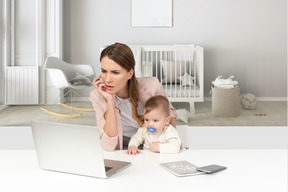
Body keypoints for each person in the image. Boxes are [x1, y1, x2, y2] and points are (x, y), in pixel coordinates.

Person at [90, 42, 177, 151]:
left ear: (130, 74)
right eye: (103, 71)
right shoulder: (97, 96)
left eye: (115, 72)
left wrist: (173, 140)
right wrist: (110, 102)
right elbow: (109, 146)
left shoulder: (152, 85)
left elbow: (169, 112)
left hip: (153, 146)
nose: (107, 79)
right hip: (124, 149)